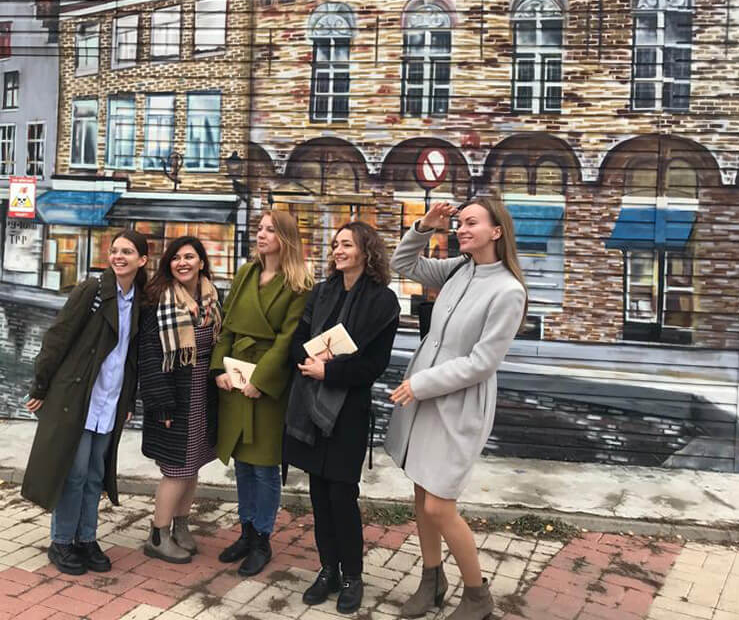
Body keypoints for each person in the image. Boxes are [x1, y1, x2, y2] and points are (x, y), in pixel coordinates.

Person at [385, 198, 527, 620]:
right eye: (460, 222)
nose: (462, 229)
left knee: (438, 505)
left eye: (472, 222)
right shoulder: (459, 269)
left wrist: (421, 384)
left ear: (496, 231)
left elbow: (482, 363)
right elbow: (403, 264)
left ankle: (477, 595)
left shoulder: (508, 291)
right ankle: (432, 580)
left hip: (459, 404)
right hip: (424, 396)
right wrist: (424, 226)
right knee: (420, 489)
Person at [285, 221, 400, 614]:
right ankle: (327, 570)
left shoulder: (383, 302)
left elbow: (374, 365)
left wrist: (330, 372)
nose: (338, 250)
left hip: (348, 410)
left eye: (346, 244)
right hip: (310, 404)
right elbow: (299, 339)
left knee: (341, 496)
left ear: (367, 251)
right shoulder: (322, 292)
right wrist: (308, 363)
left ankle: (352, 576)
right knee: (318, 495)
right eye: (335, 244)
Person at [21, 230, 149, 577]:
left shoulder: (140, 301)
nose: (118, 256)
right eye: (115, 250)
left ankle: (86, 539)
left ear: (142, 260)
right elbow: (57, 337)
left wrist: (129, 398)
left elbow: (131, 356)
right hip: (78, 397)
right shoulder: (92, 290)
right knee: (74, 473)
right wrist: (41, 385)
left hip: (110, 399)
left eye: (127, 252)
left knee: (95, 475)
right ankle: (62, 541)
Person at [209, 210, 312, 577]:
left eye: (271, 229)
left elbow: (287, 339)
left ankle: (262, 539)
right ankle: (246, 532)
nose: (262, 234)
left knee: (265, 466)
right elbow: (227, 326)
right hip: (236, 376)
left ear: (286, 238)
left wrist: (262, 380)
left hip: (268, 384)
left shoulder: (299, 283)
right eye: (260, 228)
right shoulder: (245, 273)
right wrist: (219, 368)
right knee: (242, 463)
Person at [138, 236, 222, 564]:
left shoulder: (212, 296)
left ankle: (181, 526)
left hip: (203, 392)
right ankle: (158, 535)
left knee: (193, 464)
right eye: (176, 258)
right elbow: (149, 356)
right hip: (173, 394)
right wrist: (160, 403)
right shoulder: (158, 299)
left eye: (189, 257)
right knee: (176, 469)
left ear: (201, 262)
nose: (182, 263)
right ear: (168, 264)